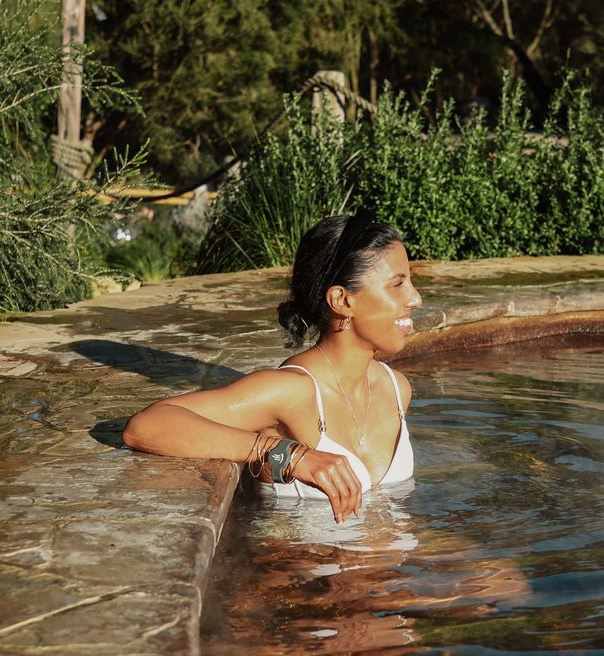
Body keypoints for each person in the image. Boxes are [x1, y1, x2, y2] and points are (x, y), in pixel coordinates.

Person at [123, 214, 422, 522]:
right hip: (306, 568)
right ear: (342, 300)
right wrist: (288, 455)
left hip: (392, 566)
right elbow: (146, 426)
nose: (415, 298)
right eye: (398, 284)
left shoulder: (396, 389)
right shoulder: (293, 391)